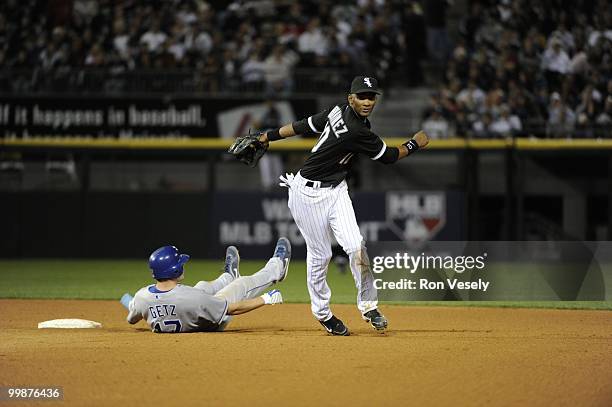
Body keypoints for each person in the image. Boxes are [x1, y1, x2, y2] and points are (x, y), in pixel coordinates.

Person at [258, 76, 430, 335]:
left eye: (371, 96)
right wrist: (414, 143)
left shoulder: (338, 110)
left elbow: (303, 125)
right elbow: (390, 156)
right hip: (307, 194)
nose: (368, 101)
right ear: (351, 98)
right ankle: (323, 313)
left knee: (355, 246)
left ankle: (369, 306)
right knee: (321, 256)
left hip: (337, 189)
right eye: (362, 96)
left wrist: (267, 136)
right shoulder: (357, 130)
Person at [120, 237, 291, 333]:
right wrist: (265, 298)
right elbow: (232, 309)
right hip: (211, 322)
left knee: (202, 285)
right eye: (180, 263)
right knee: (241, 284)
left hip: (186, 306)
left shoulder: (142, 297)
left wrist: (135, 304)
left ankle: (228, 275)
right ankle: (277, 268)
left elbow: (132, 318)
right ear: (175, 270)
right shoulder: (192, 298)